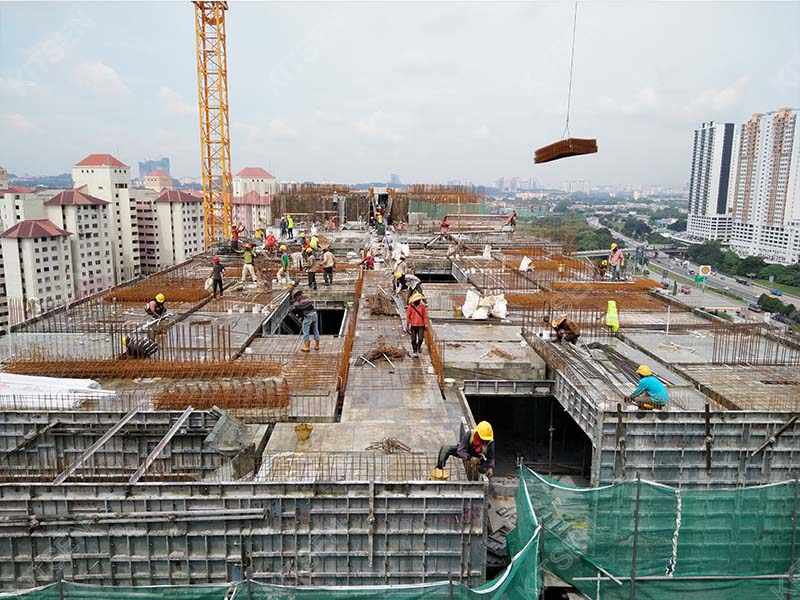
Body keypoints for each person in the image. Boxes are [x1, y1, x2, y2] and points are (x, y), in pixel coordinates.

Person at [291, 288, 319, 352]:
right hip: (314, 314)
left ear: (296, 296)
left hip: (308, 316)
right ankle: (317, 346)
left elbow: (298, 310)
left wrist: (301, 316)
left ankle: (307, 347)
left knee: (306, 331)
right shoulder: (306, 297)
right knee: (315, 330)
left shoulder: (298, 303)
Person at [405, 291, 428, 357]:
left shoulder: (422, 306)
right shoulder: (410, 307)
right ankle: (414, 351)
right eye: (418, 300)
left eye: (419, 300)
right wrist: (407, 325)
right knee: (413, 339)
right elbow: (408, 317)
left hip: (421, 325)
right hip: (413, 325)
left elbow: (425, 316)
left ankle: (418, 347)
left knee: (420, 338)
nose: (419, 301)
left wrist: (426, 324)